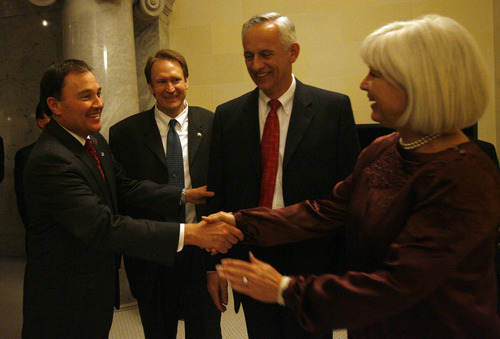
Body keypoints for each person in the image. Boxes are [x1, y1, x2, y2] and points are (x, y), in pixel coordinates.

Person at [210, 15, 500, 337]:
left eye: (375, 73)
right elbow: (327, 211)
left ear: (419, 81)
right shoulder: (385, 148)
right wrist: (241, 222)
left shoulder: (465, 174)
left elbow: (399, 284)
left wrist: (285, 289)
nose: (363, 84)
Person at [22, 59, 243, 338]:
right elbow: (104, 226)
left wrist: (184, 195)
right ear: (54, 105)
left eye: (98, 93)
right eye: (85, 96)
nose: (98, 103)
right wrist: (191, 233)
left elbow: (124, 187)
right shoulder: (52, 159)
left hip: (94, 288)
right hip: (64, 296)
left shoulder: (92, 141)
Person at [206, 12, 360, 338]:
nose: (256, 65)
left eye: (266, 54)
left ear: (293, 53)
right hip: (252, 252)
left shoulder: (333, 110)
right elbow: (219, 195)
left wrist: (347, 268)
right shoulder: (228, 116)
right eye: (249, 55)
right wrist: (216, 265)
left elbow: (348, 196)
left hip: (312, 258)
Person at [109, 49, 221, 338]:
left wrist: (218, 263)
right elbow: (125, 194)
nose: (170, 88)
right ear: (150, 86)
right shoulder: (124, 134)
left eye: (176, 79)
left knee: (206, 332)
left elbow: (224, 193)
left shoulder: (214, 126)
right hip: (152, 256)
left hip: (202, 252)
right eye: (161, 82)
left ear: (187, 81)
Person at [15, 103, 51, 229]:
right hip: (42, 234)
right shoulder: (26, 155)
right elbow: (24, 201)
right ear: (41, 123)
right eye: (51, 118)